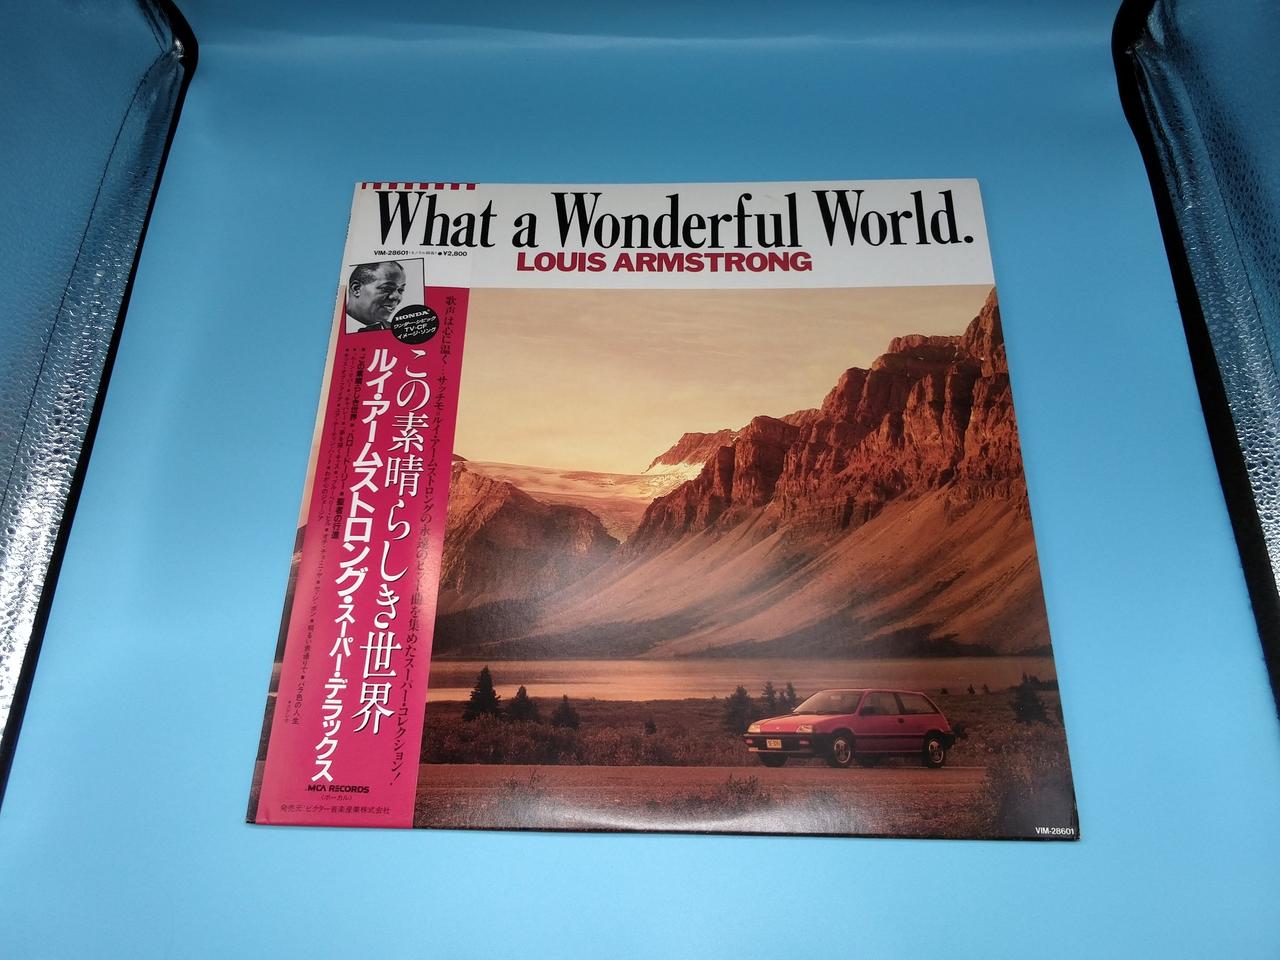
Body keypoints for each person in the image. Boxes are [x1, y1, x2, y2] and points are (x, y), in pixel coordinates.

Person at [345, 260, 406, 332]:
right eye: (387, 288)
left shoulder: (400, 331)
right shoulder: (336, 328)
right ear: (356, 289)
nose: (397, 297)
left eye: (400, 290)